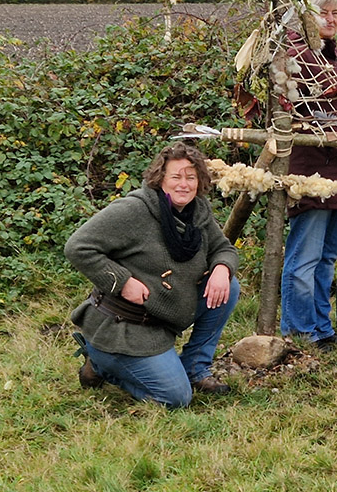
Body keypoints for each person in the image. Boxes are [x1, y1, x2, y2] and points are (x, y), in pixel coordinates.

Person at [65, 142, 241, 408]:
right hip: (126, 325)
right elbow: (77, 246)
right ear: (161, 179)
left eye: (190, 177)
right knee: (176, 399)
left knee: (230, 286)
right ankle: (100, 364)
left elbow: (222, 248)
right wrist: (122, 282)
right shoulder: (134, 210)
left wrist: (221, 268)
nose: (184, 184)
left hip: (163, 317)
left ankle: (194, 367)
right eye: (176, 176)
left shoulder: (198, 212)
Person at [281, 0, 337, 349]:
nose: (331, 20)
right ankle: (300, 332)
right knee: (305, 257)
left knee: (326, 257)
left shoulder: (333, 57)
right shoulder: (297, 56)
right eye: (324, 13)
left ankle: (320, 328)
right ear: (306, 16)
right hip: (314, 172)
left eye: (335, 14)